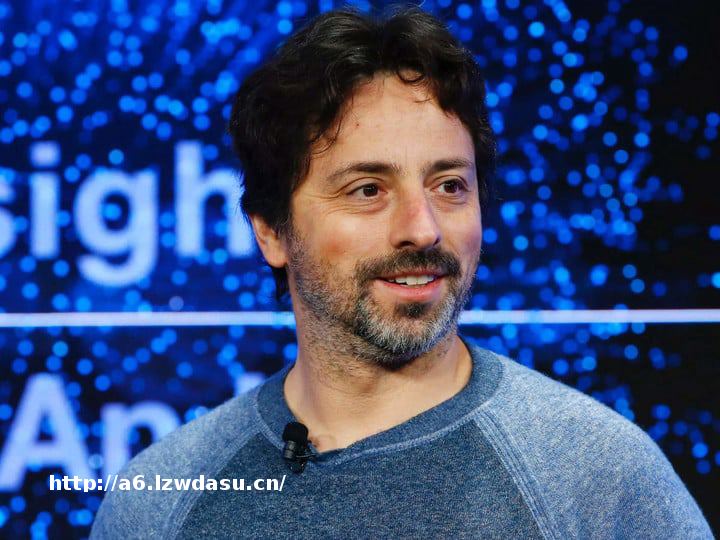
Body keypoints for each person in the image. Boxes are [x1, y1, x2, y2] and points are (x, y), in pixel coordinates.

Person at [91, 6, 713, 539]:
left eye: (449, 186)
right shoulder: (161, 500)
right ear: (271, 231)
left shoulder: (597, 478)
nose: (423, 228)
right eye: (368, 189)